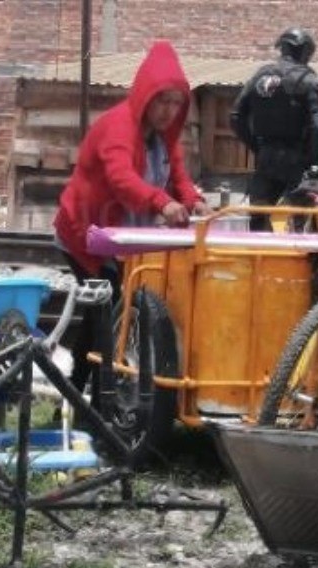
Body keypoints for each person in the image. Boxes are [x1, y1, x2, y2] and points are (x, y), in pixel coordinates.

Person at [52, 40, 210, 390]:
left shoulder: (164, 136)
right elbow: (121, 178)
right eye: (162, 100)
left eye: (175, 103)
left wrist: (191, 199)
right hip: (85, 233)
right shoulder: (119, 127)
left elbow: (179, 175)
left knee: (105, 315)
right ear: (145, 95)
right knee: (105, 314)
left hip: (121, 236)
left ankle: (83, 394)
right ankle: (88, 397)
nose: (169, 111)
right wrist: (161, 203)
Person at [230, 28, 318, 231]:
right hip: (297, 160)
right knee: (302, 223)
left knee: (258, 220)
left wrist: (256, 146)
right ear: (304, 52)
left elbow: (236, 116)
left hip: (266, 158)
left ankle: (259, 260)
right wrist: (317, 166)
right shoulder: (308, 80)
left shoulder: (260, 76)